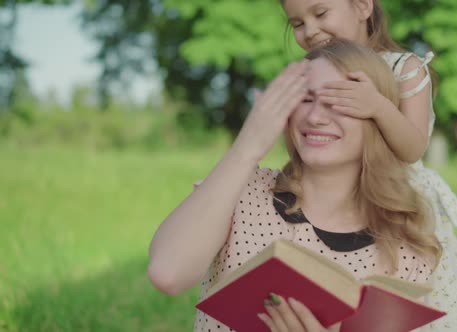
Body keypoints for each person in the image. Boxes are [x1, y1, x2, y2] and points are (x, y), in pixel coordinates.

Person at [148, 39, 442, 332]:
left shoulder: (406, 248)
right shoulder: (242, 190)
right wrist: (248, 146)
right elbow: (168, 273)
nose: (315, 117)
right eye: (305, 99)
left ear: (378, 119)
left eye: (337, 101)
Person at [281, 0, 457, 331]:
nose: (310, 30)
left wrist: (378, 106)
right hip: (337, 202)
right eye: (297, 24)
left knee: (403, 298)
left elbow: (412, 147)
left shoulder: (402, 66)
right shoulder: (313, 71)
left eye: (321, 13)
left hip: (395, 204)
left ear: (363, 6)